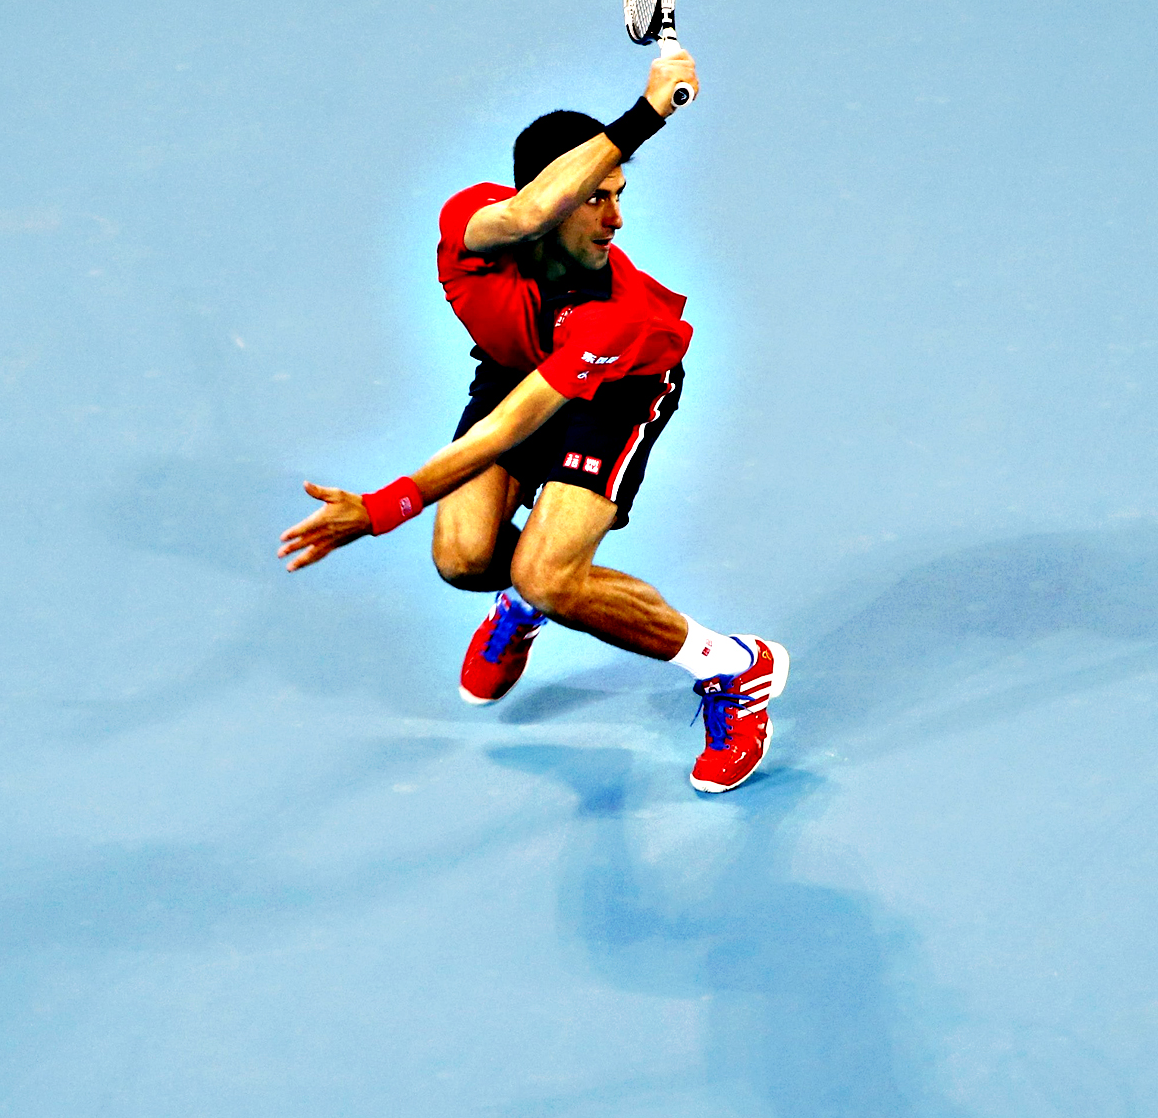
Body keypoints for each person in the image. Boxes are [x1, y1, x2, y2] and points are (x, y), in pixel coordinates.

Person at [277, 50, 787, 794]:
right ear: (550, 195)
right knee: (463, 559)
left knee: (549, 575)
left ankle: (734, 667)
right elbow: (526, 216)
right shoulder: (475, 224)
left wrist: (380, 510)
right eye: (596, 199)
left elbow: (505, 430)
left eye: (620, 196)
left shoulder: (615, 314)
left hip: (617, 388)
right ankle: (525, 598)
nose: (616, 220)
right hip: (516, 367)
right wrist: (648, 113)